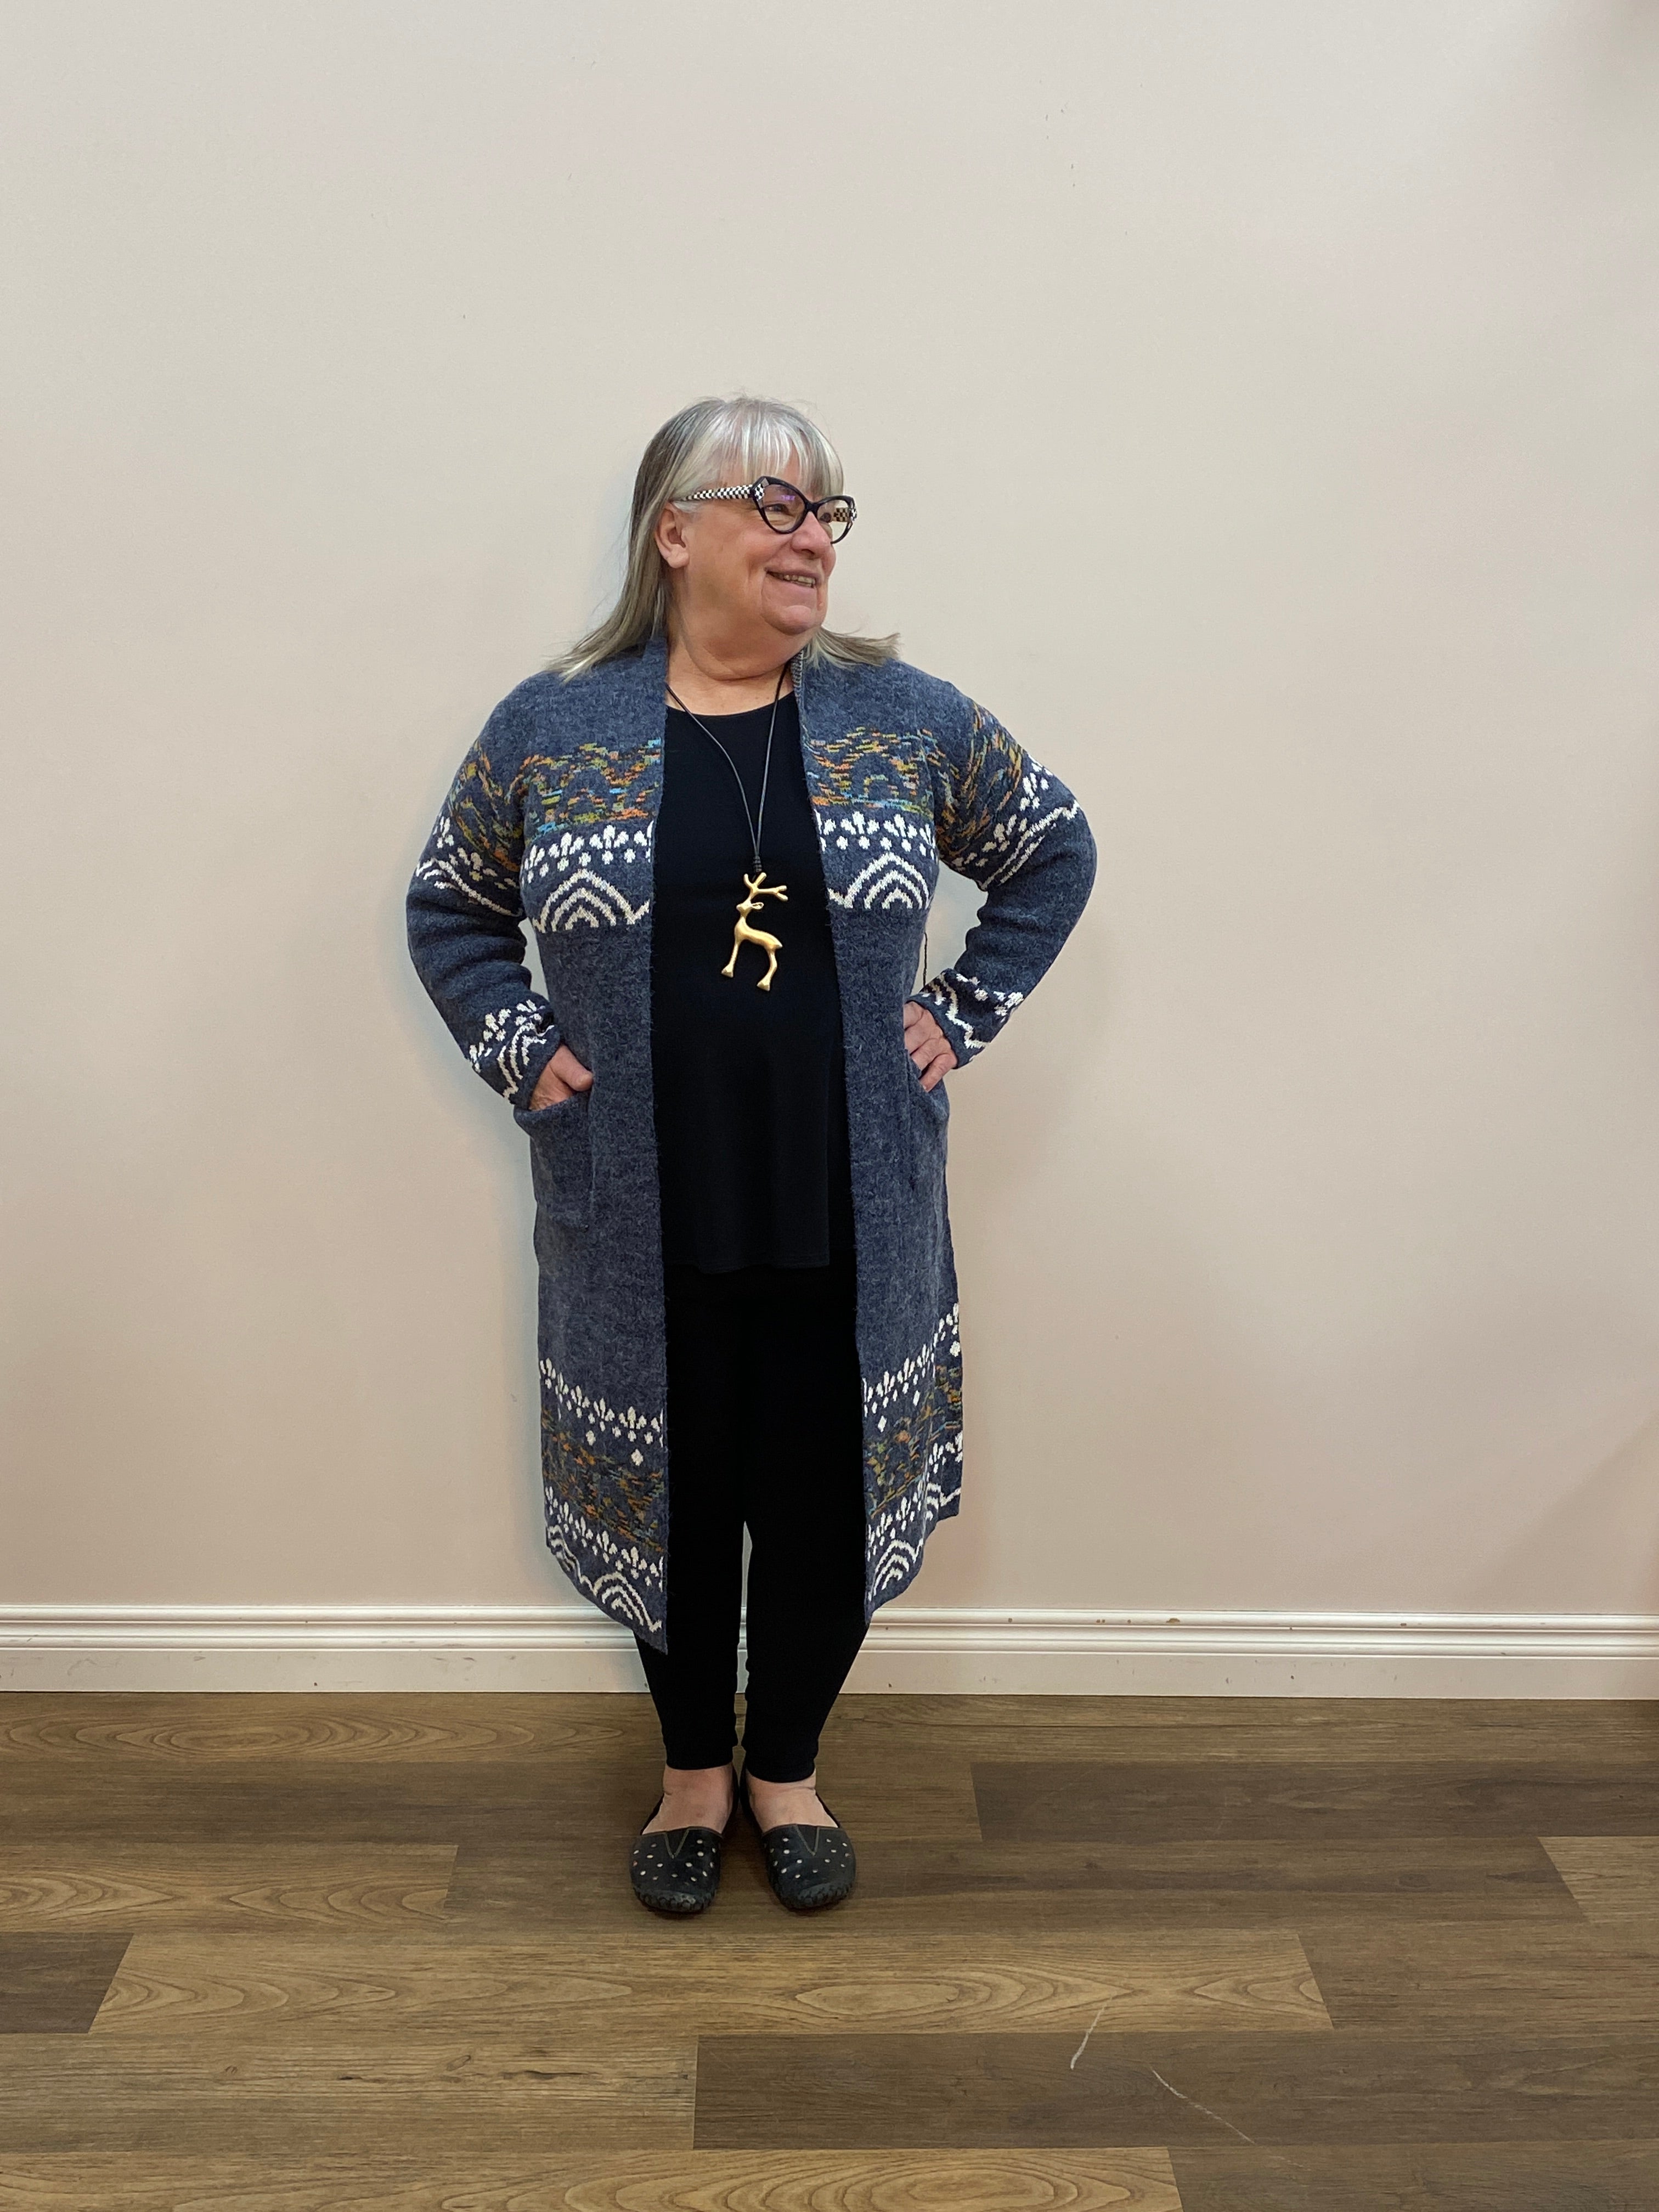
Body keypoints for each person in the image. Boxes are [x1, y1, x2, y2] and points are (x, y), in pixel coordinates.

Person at [405, 394, 1096, 1915]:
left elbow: (1053, 846)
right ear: (676, 531)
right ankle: (690, 1778)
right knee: (673, 1485)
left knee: (823, 1495)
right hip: (640, 1204)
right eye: (778, 506)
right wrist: (523, 1050)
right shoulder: (554, 726)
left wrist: (960, 1013)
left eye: (827, 514)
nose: (813, 542)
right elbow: (451, 904)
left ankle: (785, 1766)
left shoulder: (904, 718)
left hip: (849, 1201)